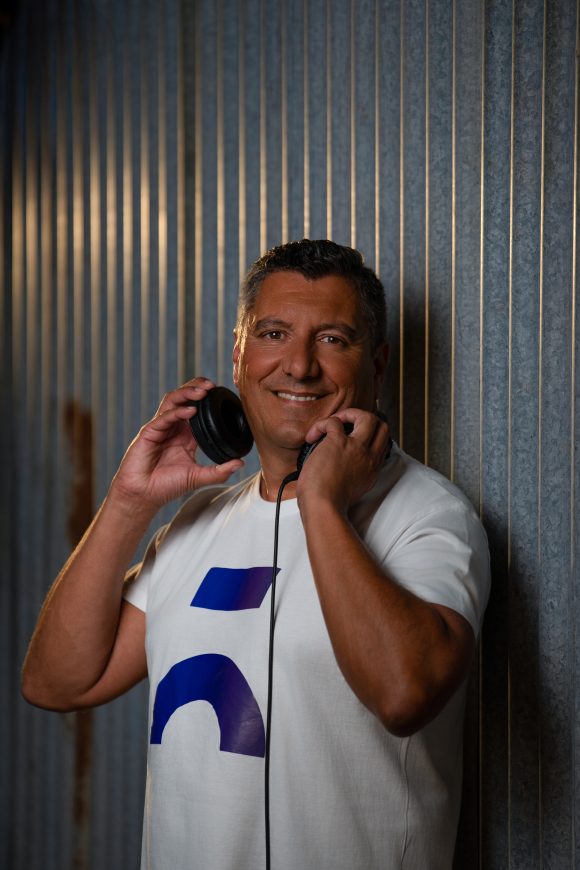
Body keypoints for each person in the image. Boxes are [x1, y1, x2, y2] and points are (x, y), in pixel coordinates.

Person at [22, 239, 490, 870]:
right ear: (239, 356)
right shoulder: (196, 525)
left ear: (376, 366)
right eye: (273, 334)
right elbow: (56, 681)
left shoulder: (429, 515)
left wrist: (319, 501)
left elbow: (405, 694)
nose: (299, 366)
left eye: (332, 339)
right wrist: (129, 502)